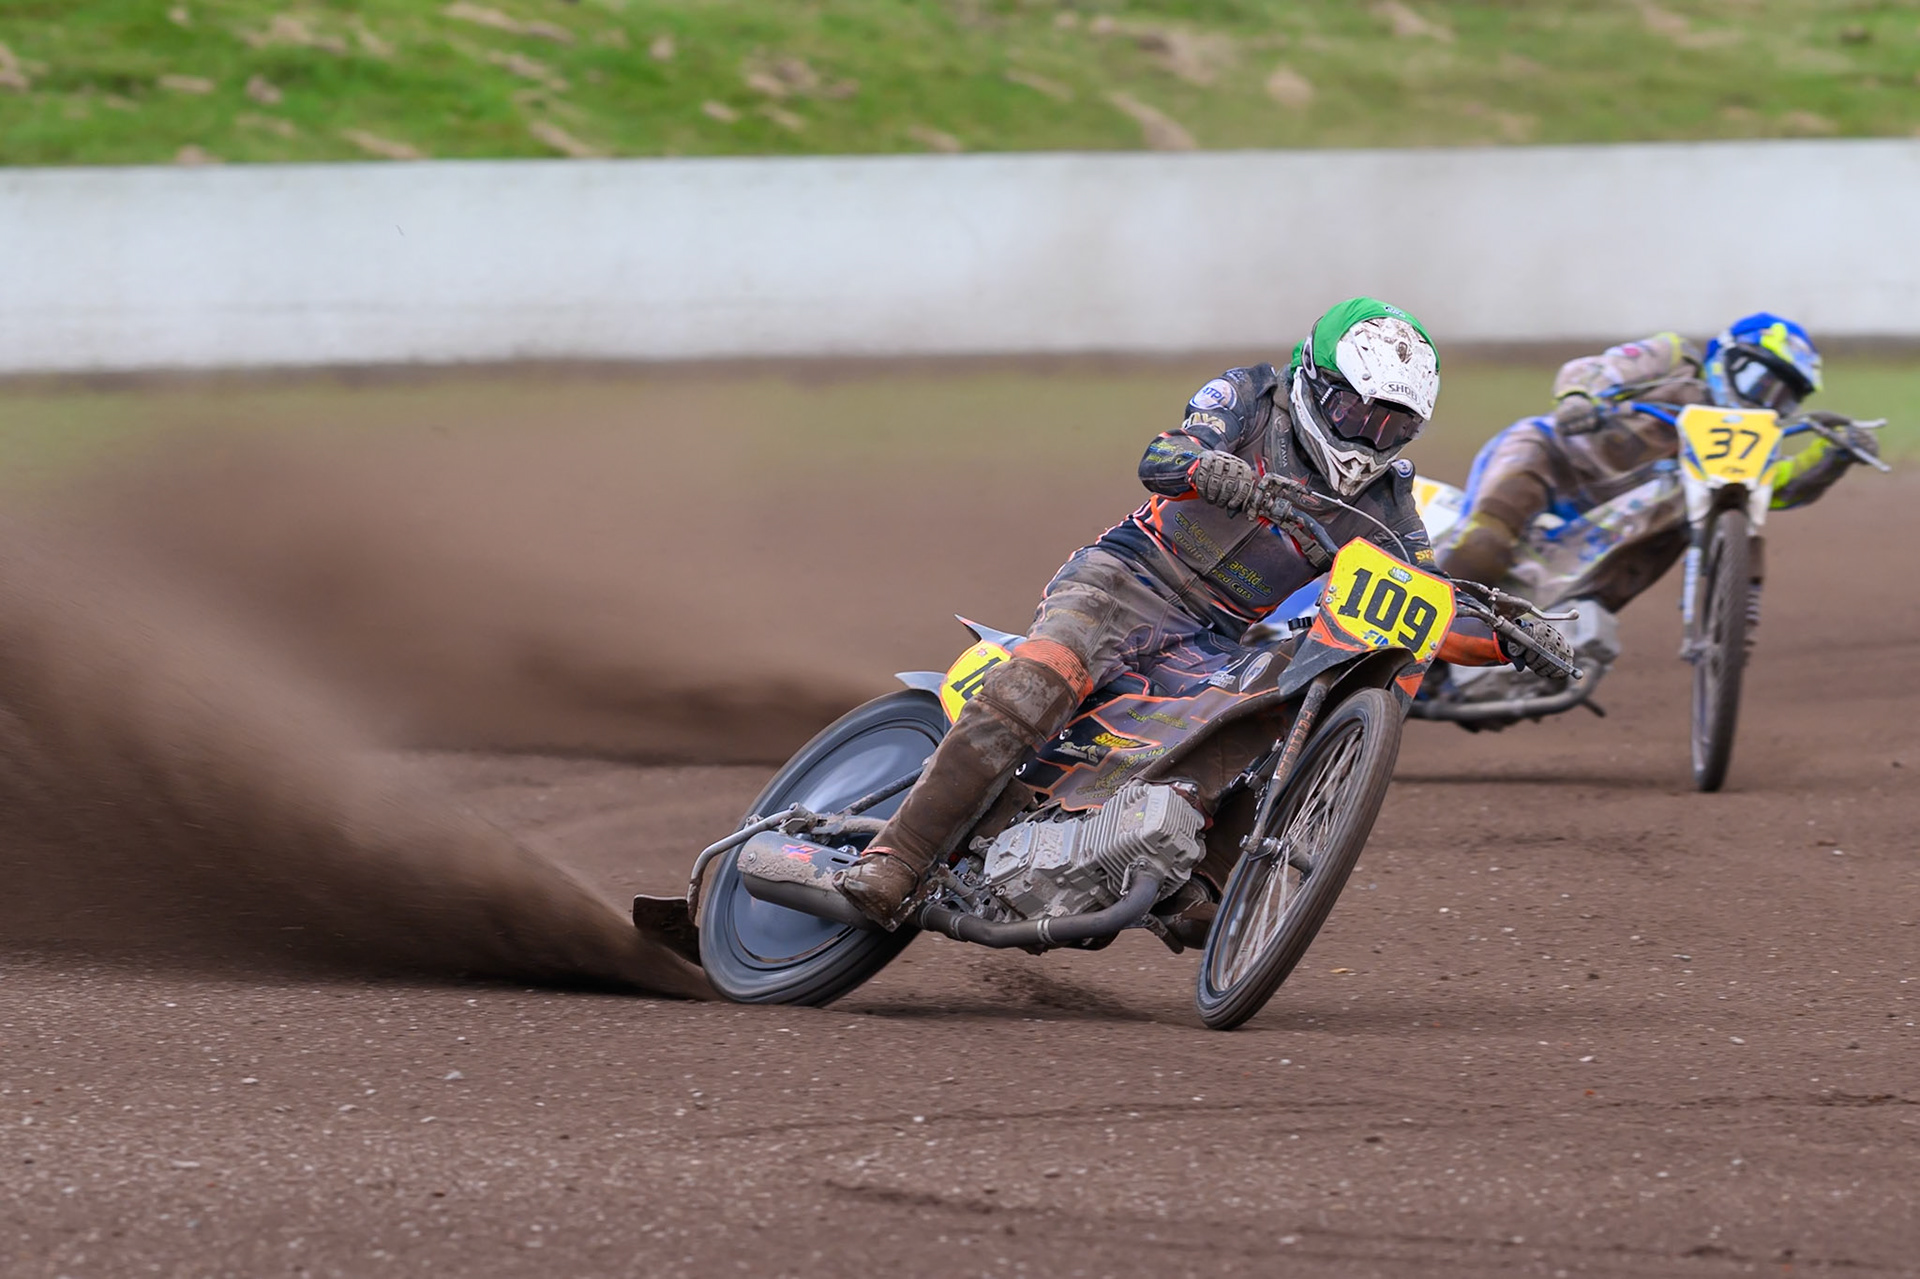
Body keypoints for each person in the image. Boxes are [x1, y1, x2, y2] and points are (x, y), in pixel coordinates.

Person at [835, 297, 1566, 930]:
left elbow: (1424, 606)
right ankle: (896, 855)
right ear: (1315, 381)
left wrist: (1508, 642)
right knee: (1041, 676)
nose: (1367, 436)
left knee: (1280, 712)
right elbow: (1163, 452)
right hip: (1125, 580)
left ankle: (1201, 877)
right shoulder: (1250, 395)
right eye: (1354, 411)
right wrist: (1204, 466)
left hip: (1214, 637)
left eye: (1391, 426)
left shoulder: (1387, 502)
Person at [1438, 313, 1879, 597]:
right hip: (1552, 455)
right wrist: (1578, 398)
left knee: (1559, 600)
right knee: (1482, 548)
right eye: (1763, 382)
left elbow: (1769, 489)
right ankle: (1416, 635)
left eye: (1783, 398)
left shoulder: (1747, 442)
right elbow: (1598, 368)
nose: (1766, 402)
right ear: (1729, 358)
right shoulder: (1674, 356)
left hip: (1612, 519)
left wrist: (1831, 457)